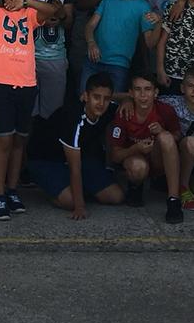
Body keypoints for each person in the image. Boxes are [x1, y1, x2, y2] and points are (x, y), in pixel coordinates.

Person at [0, 0, 65, 220]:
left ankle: (12, 190)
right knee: (3, 142)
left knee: (19, 141)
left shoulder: (30, 14)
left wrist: (26, 0)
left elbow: (52, 10)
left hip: (26, 84)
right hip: (1, 84)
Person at [28, 72, 125, 219]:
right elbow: (75, 168)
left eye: (106, 99)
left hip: (79, 159)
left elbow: (128, 97)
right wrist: (79, 207)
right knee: (71, 201)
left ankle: (75, 188)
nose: (101, 103)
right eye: (96, 97)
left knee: (116, 196)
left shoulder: (108, 108)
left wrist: (128, 101)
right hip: (45, 159)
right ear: (85, 96)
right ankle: (55, 192)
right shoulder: (74, 118)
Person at [107, 72, 191, 222]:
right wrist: (136, 148)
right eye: (138, 90)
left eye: (148, 89)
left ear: (155, 92)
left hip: (158, 160)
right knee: (138, 166)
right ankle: (135, 186)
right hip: (136, 161)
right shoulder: (124, 113)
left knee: (166, 137)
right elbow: (115, 156)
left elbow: (177, 136)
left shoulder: (165, 110)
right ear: (131, 93)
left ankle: (173, 200)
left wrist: (162, 132)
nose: (143, 95)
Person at [83, 0, 159, 91]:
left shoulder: (143, 6)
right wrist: (91, 42)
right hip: (93, 61)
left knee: (114, 104)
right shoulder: (108, 0)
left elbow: (150, 43)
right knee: (84, 99)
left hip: (119, 66)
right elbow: (90, 26)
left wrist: (159, 24)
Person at [24, 0, 76, 122]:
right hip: (24, 56)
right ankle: (28, 151)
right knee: (27, 111)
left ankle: (50, 149)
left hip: (55, 56)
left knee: (53, 112)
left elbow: (69, 22)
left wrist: (60, 14)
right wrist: (40, 18)